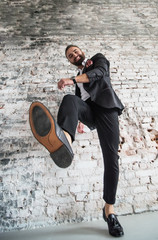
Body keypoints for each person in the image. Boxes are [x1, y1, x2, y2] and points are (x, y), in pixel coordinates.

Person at [29, 45, 124, 237]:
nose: (74, 55)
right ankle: (66, 140)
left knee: (111, 159)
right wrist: (81, 121)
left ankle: (109, 211)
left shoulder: (97, 59)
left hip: (106, 110)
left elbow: (99, 73)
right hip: (91, 113)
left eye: (76, 52)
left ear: (82, 52)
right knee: (70, 100)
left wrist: (71, 79)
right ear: (70, 61)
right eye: (70, 56)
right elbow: (81, 102)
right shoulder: (78, 82)